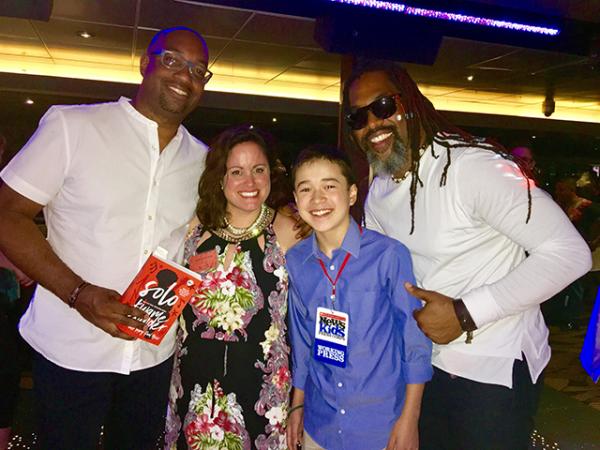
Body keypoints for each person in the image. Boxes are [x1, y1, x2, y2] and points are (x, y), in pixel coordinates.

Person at [342, 59, 591, 450]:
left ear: (408, 103)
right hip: (427, 367)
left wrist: (464, 313)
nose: (372, 123)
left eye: (383, 107)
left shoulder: (471, 168)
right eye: (358, 117)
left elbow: (570, 254)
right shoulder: (381, 186)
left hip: (493, 368)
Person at [0, 27, 211, 449]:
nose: (184, 76)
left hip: (154, 356)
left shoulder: (202, 159)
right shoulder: (73, 126)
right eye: (172, 60)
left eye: (197, 70)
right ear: (144, 63)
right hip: (71, 349)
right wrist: (78, 293)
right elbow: (8, 214)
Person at [286, 145, 432, 450]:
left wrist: (411, 418)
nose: (318, 199)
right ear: (296, 200)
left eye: (329, 186)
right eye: (306, 189)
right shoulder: (297, 261)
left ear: (352, 194)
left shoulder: (388, 256)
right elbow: (302, 342)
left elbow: (414, 342)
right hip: (319, 424)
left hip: (380, 427)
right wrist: (297, 405)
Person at [164, 126, 299, 450]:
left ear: (271, 172)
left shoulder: (291, 229)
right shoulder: (194, 230)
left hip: (262, 392)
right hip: (194, 389)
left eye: (258, 170)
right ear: (219, 177)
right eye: (236, 171)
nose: (249, 183)